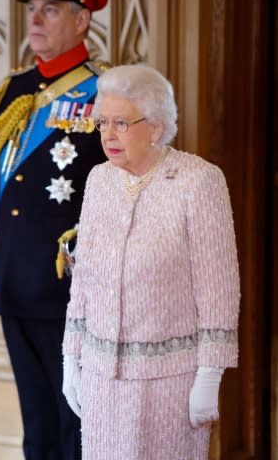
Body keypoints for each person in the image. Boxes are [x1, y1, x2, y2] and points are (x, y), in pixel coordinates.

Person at [62, 64, 240, 460]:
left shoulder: (198, 181)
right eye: (102, 121)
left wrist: (210, 374)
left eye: (121, 123)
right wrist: (71, 358)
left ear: (156, 127)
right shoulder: (98, 180)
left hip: (170, 383)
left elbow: (219, 288)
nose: (107, 134)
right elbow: (84, 281)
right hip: (101, 379)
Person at [0, 0, 108, 460]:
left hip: (68, 285)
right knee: (35, 422)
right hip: (13, 276)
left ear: (81, 20)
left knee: (73, 423)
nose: (34, 19)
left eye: (50, 10)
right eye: (32, 8)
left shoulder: (104, 91)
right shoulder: (14, 92)